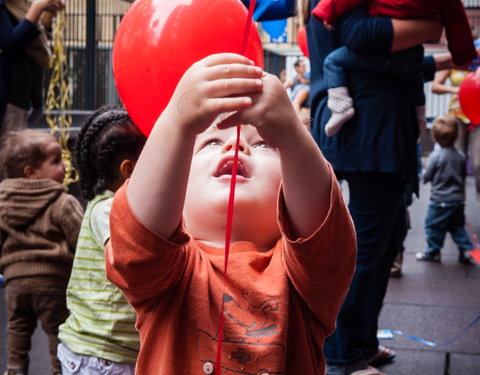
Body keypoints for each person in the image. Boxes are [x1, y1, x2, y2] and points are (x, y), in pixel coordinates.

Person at [105, 53, 357, 374]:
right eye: (210, 141)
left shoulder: (305, 278)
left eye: (265, 143)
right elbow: (137, 236)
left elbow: (324, 228)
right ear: (175, 187)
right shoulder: (168, 274)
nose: (235, 146)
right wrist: (176, 120)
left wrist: (291, 134)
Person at [305, 1, 477, 374]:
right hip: (370, 131)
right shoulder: (348, 10)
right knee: (366, 249)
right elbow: (362, 39)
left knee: (385, 239)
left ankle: (360, 344)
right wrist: (433, 23)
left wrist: (440, 39)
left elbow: (395, 63)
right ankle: (340, 355)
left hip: (380, 129)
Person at [57, 105, 146, 374]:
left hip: (100, 352)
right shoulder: (110, 210)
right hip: (103, 354)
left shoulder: (103, 205)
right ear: (129, 170)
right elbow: (129, 260)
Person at [311, 0, 476, 137]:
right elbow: (457, 24)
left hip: (379, 45)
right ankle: (420, 117)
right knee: (413, 78)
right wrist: (463, 55)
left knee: (333, 61)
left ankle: (341, 106)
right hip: (411, 49)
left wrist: (325, 11)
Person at [0, 129, 83, 375]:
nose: (65, 165)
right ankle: (60, 370)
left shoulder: (3, 203)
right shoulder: (62, 202)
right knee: (58, 332)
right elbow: (80, 238)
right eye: (56, 160)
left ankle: (14, 370)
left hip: (15, 284)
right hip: (53, 283)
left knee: (17, 330)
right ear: (31, 172)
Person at [0, 0, 64, 134]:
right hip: (10, 94)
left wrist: (47, 12)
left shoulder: (18, 4)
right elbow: (9, 42)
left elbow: (31, 35)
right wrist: (37, 7)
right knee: (11, 147)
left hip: (26, 91)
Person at [416, 115, 474, 264]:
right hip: (458, 201)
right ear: (456, 136)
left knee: (433, 226)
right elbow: (462, 175)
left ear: (434, 137)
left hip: (440, 201)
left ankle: (433, 252)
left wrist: (423, 178)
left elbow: (427, 176)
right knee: (457, 227)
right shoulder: (461, 156)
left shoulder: (435, 156)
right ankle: (466, 249)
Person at [431, 66, 480, 201]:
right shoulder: (455, 60)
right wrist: (458, 90)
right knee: (457, 164)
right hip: (457, 118)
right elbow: (434, 86)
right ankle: (456, 205)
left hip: (479, 118)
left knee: (478, 164)